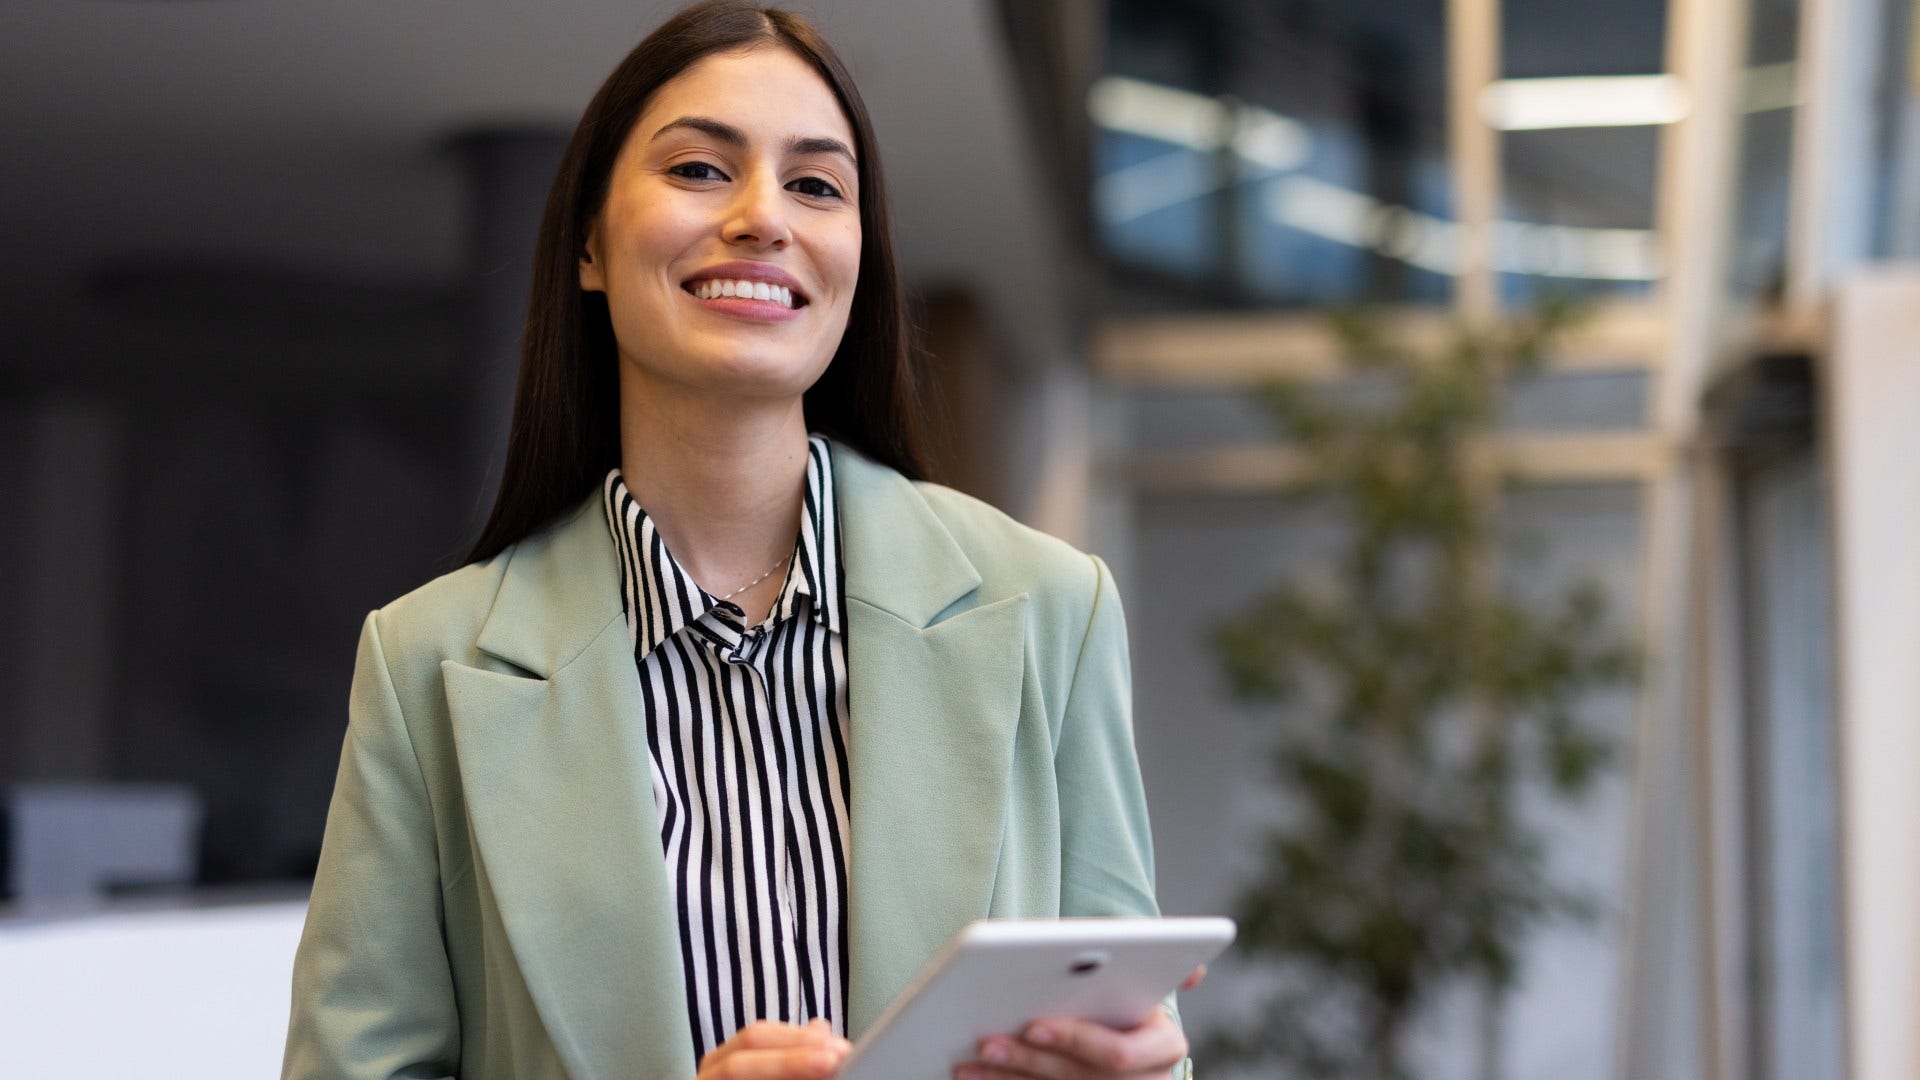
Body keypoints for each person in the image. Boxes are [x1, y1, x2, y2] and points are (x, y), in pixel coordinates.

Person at [282, 3, 1197, 1078]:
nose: (765, 217)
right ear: (588, 240)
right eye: (701, 170)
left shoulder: (1052, 609)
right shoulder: (424, 666)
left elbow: (1142, 1052)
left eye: (817, 185)